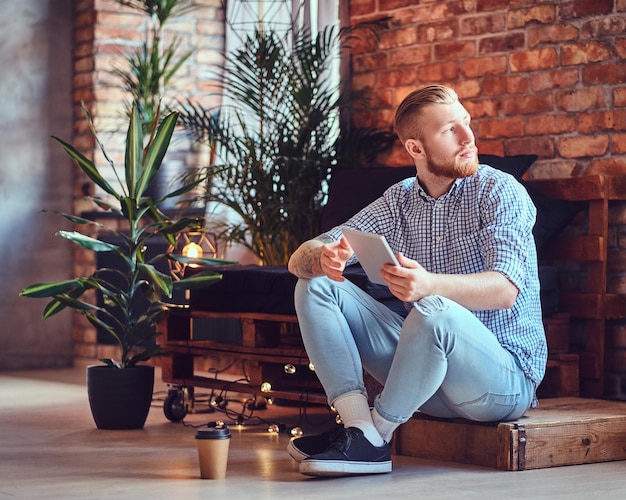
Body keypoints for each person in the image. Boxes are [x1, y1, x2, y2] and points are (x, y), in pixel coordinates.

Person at [286, 84, 547, 477]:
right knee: (315, 284)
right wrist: (322, 255)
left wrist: (427, 285)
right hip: (428, 385)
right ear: (415, 149)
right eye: (449, 130)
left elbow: (504, 290)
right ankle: (358, 429)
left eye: (466, 123)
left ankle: (378, 437)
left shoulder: (500, 191)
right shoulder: (400, 200)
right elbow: (298, 259)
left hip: (501, 384)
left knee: (434, 311)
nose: (468, 137)